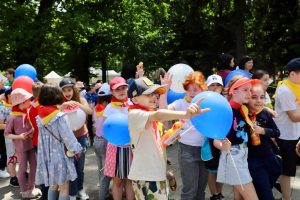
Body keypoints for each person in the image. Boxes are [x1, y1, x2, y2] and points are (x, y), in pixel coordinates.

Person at [127, 77, 209, 199]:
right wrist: (186, 114)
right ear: (134, 98)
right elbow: (159, 114)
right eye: (148, 94)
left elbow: (156, 144)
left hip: (157, 174)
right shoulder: (135, 114)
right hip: (146, 177)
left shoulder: (149, 117)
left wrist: (169, 138)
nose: (154, 97)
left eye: (155, 94)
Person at [160, 71, 209, 200]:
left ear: (203, 89)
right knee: (190, 190)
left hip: (205, 150)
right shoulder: (181, 103)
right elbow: (163, 112)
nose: (191, 93)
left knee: (201, 189)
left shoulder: (209, 103)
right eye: (188, 89)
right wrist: (164, 91)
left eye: (195, 89)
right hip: (187, 150)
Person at [35, 84, 83, 200]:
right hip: (60, 156)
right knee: (64, 187)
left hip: (47, 156)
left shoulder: (40, 116)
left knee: (53, 185)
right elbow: (68, 137)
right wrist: (78, 149)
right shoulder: (60, 116)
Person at [217, 77, 260, 200]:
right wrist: (222, 146)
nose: (249, 93)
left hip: (243, 154)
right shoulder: (226, 111)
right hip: (233, 156)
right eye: (245, 90)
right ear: (233, 91)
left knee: (239, 197)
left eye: (250, 90)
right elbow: (216, 139)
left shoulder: (242, 109)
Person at [4, 88, 41, 198]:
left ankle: (32, 188)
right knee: (22, 168)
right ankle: (24, 191)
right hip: (20, 147)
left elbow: (30, 126)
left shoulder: (27, 113)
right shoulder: (13, 117)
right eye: (28, 100)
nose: (30, 102)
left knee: (34, 166)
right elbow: (6, 134)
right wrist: (19, 136)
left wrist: (32, 131)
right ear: (21, 102)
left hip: (30, 144)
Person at [59, 78, 92, 200]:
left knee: (80, 167)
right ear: (61, 92)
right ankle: (72, 193)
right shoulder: (59, 102)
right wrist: (62, 107)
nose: (67, 93)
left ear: (73, 90)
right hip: (66, 140)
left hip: (80, 137)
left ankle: (80, 189)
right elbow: (53, 116)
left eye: (69, 90)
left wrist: (79, 105)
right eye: (64, 91)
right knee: (70, 167)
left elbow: (90, 111)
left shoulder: (81, 99)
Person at [247, 84, 281, 200]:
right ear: (247, 97)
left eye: (262, 97)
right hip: (254, 161)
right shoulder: (243, 114)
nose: (259, 101)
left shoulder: (265, 113)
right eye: (254, 97)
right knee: (266, 195)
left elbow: (277, 132)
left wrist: (264, 131)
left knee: (263, 191)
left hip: (269, 158)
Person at [103, 77, 134, 200]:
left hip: (132, 147)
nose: (121, 91)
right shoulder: (109, 108)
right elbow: (106, 129)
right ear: (112, 92)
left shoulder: (133, 104)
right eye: (117, 89)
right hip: (115, 148)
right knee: (117, 180)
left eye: (123, 88)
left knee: (130, 179)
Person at [274, 58, 300, 200]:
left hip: (295, 134)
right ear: (292, 74)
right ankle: (286, 198)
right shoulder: (285, 90)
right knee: (286, 171)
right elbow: (294, 117)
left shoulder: (296, 87)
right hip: (285, 136)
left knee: (291, 168)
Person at [202, 74, 230, 200]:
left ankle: (219, 192)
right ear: (207, 87)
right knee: (212, 170)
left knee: (222, 169)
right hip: (209, 140)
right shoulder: (203, 100)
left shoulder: (226, 101)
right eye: (212, 85)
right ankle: (214, 194)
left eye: (218, 85)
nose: (215, 88)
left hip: (224, 139)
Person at [93, 83, 112, 200]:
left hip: (96, 141)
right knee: (106, 174)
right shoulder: (108, 110)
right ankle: (102, 196)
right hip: (105, 142)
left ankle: (103, 192)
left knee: (101, 169)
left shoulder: (96, 108)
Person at [0, 89, 11, 179]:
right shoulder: (3, 107)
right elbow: (0, 125)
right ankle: (2, 169)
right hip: (4, 135)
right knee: (4, 152)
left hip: (10, 136)